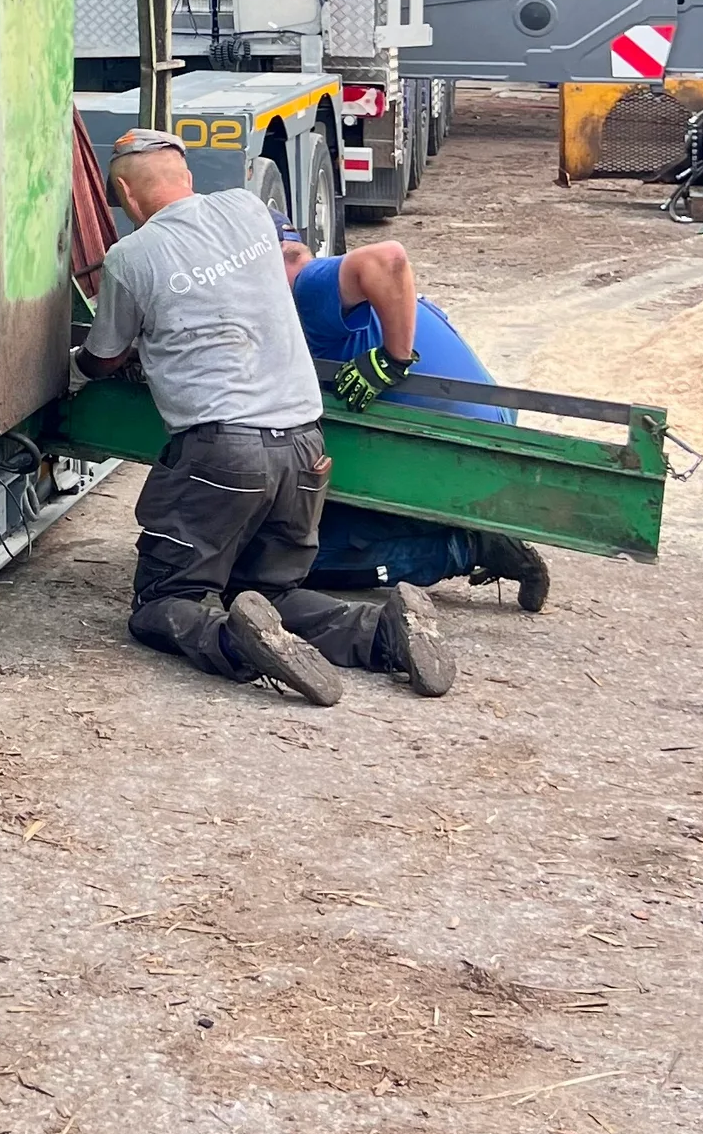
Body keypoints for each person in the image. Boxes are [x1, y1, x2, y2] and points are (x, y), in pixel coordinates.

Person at [80, 130, 454, 709]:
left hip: (220, 454)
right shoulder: (249, 211)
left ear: (127, 195)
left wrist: (74, 364)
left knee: (162, 601)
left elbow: (105, 356)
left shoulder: (131, 257)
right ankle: (385, 633)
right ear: (187, 178)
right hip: (306, 448)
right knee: (273, 591)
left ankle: (234, 642)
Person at [279, 224, 552, 610]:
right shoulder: (341, 294)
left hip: (461, 461)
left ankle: (467, 544)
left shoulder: (309, 287)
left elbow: (389, 258)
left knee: (283, 559)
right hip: (470, 440)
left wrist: (393, 359)